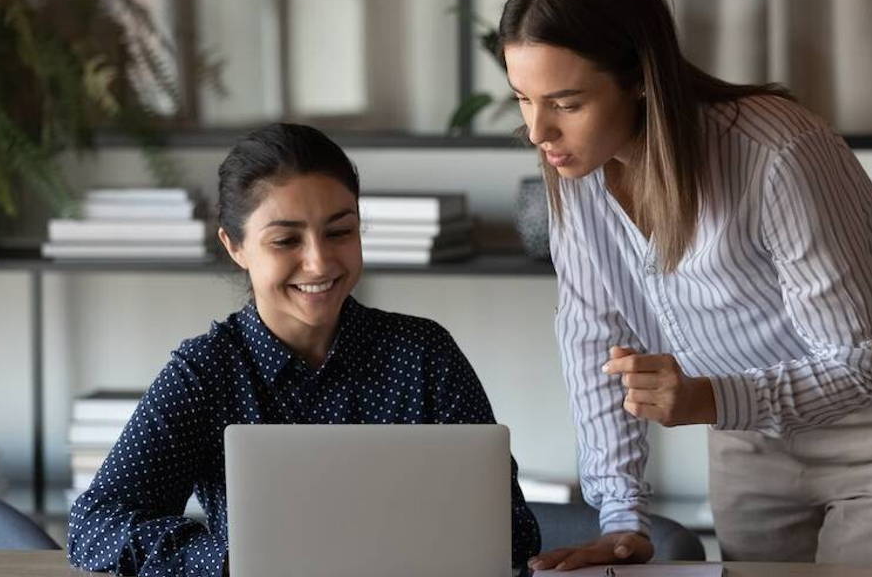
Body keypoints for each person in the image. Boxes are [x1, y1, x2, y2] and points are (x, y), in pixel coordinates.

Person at [498, 0, 872, 571]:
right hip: (744, 436)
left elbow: (858, 363)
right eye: (523, 98)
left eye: (567, 104)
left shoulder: (776, 152)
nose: (538, 133)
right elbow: (593, 341)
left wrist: (707, 396)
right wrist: (621, 517)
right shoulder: (577, 176)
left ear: (641, 77)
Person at [66, 123, 541, 576]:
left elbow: (514, 531)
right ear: (235, 247)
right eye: (286, 240)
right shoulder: (206, 372)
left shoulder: (424, 354)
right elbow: (93, 526)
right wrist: (232, 559)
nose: (319, 262)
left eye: (339, 232)